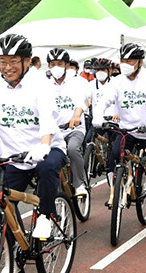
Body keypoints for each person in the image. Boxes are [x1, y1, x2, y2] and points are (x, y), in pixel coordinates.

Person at [0, 34, 67, 240]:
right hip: (14, 157)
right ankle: (7, 253)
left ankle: (46, 215)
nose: (7, 67)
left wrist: (44, 145)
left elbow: (47, 117)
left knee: (47, 167)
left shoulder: (40, 84)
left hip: (46, 148)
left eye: (14, 61)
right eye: (3, 62)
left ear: (27, 61)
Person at [94, 43, 146, 213]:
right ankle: (119, 188)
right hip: (127, 131)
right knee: (115, 156)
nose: (125, 64)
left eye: (130, 61)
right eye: (123, 60)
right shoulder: (116, 81)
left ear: (139, 62)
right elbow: (104, 100)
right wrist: (98, 116)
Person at [46, 47, 88, 196]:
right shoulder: (44, 85)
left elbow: (80, 103)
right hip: (52, 132)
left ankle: (79, 184)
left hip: (73, 129)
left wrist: (76, 117)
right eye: (52, 64)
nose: (55, 67)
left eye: (59, 63)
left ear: (66, 65)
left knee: (73, 149)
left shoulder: (76, 83)